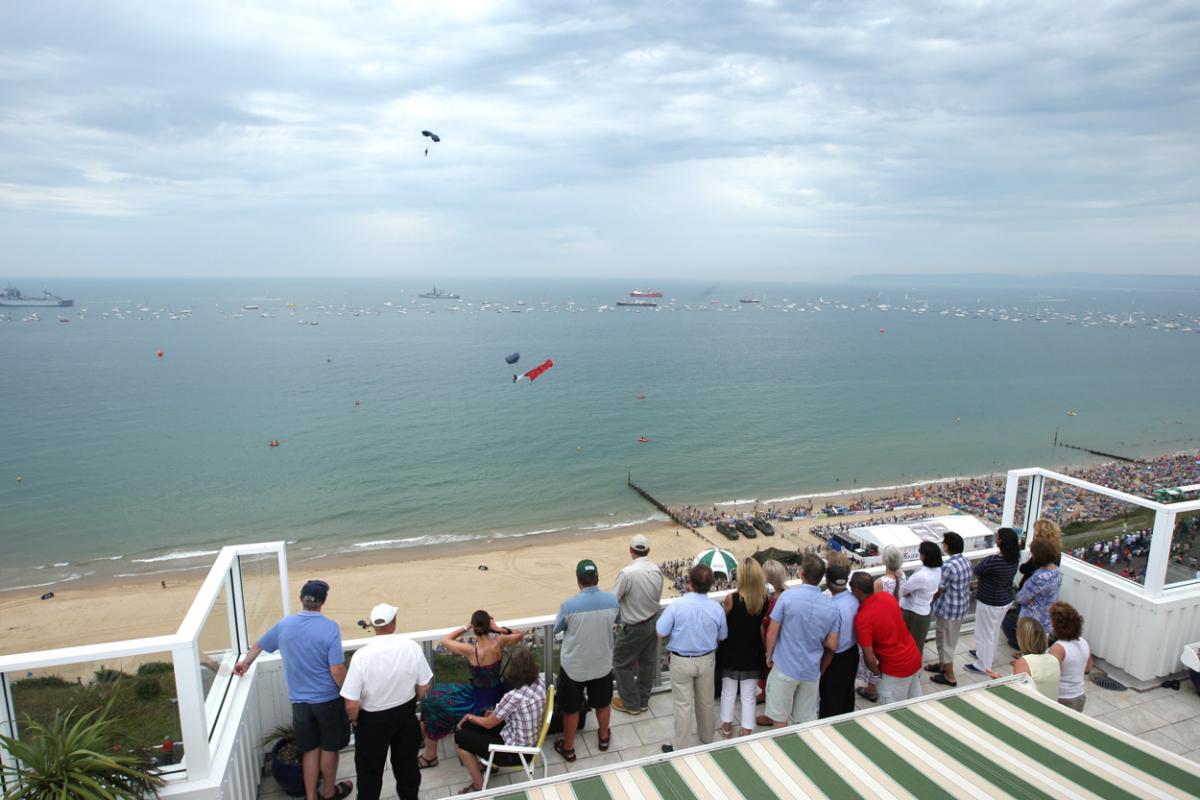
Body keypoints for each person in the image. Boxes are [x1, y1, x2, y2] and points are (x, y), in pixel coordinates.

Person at [234, 580, 353, 800]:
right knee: (329, 748)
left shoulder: (285, 625)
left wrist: (245, 664)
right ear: (323, 602)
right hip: (327, 700)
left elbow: (258, 645)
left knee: (310, 749)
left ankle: (310, 797)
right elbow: (337, 669)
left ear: (301, 598)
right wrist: (348, 693)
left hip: (300, 702)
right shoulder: (330, 627)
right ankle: (329, 792)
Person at [340, 603, 432, 800]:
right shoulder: (411, 647)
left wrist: (355, 720)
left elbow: (350, 701)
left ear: (373, 625)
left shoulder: (361, 656)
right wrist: (411, 701)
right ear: (394, 622)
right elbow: (424, 685)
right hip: (405, 716)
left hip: (371, 721)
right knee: (407, 768)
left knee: (369, 773)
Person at [418, 610, 526, 769]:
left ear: (474, 628)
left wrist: (465, 626)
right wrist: (498, 628)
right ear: (489, 626)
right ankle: (430, 747)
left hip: (477, 699)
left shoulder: (471, 650)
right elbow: (519, 635)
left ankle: (430, 753)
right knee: (436, 698)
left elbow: (445, 640)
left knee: (431, 702)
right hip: (497, 694)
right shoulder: (499, 642)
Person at [453, 647, 547, 794]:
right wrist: (494, 713)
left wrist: (470, 716)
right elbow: (509, 712)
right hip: (528, 742)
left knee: (459, 737)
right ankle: (482, 764)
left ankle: (478, 785)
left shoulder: (514, 696)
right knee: (470, 727)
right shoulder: (540, 684)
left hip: (514, 753)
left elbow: (489, 723)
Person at [553, 559, 620, 762]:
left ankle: (569, 748)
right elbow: (618, 620)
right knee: (603, 704)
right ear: (597, 578)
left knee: (571, 709)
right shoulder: (612, 601)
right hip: (601, 663)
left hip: (574, 666)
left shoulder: (569, 605)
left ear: (578, 580)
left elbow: (557, 629)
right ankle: (603, 738)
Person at [656, 564, 727, 751]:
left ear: (689, 583)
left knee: (682, 704)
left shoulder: (676, 606)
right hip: (706, 658)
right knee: (706, 701)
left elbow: (660, 631)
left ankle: (682, 745)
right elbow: (723, 635)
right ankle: (707, 737)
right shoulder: (716, 608)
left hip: (681, 660)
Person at [764, 554, 838, 726]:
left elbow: (772, 632)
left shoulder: (787, 598)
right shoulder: (831, 607)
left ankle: (782, 750)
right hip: (811, 669)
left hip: (785, 667)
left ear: (801, 573)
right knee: (805, 721)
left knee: (779, 717)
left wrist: (769, 655)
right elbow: (832, 644)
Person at [611, 533, 665, 716]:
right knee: (647, 662)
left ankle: (631, 703)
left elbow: (613, 600)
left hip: (634, 626)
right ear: (648, 551)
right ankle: (643, 700)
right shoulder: (657, 572)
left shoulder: (627, 573)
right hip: (653, 622)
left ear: (631, 551)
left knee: (620, 661)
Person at [852, 570, 922, 705]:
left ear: (856, 590)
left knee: (893, 715)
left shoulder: (862, 619)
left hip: (894, 668)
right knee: (916, 705)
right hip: (913, 657)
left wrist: (877, 675)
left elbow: (869, 658)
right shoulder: (887, 597)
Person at [718, 558, 768, 737]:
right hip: (753, 649)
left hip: (732, 649)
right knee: (748, 694)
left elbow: (724, 623)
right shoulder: (763, 599)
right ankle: (746, 729)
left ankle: (726, 726)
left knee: (728, 691)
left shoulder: (731, 598)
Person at [965, 528, 1021, 677]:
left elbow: (977, 569)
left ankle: (984, 665)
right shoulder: (1014, 558)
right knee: (993, 631)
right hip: (1005, 599)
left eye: (998, 537)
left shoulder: (994, 560)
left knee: (984, 632)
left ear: (1000, 541)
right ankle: (985, 655)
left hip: (990, 601)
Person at [856, 545, 905, 703]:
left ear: (885, 560)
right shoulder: (902, 577)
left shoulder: (880, 583)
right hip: (895, 620)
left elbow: (872, 604)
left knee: (874, 656)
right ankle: (876, 686)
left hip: (880, 623)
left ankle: (871, 689)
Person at [1004, 520, 1062, 649]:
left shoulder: (1039, 575)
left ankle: (1026, 655)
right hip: (1046, 607)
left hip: (1033, 610)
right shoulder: (1056, 565)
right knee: (1041, 637)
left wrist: (1025, 596)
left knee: (1029, 636)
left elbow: (1021, 597)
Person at [926, 532, 971, 686]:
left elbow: (940, 589)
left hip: (948, 610)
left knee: (945, 643)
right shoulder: (965, 560)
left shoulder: (948, 566)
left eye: (944, 542)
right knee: (946, 639)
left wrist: (929, 601)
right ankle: (942, 665)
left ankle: (950, 676)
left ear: (948, 546)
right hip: (960, 607)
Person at [818, 565, 859, 718]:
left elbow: (831, 646)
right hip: (852, 652)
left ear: (828, 583)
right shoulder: (855, 599)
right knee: (848, 694)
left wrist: (822, 669)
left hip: (835, 660)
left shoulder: (831, 607)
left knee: (830, 702)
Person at [756, 559, 790, 725]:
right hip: (779, 643)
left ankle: (772, 715)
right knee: (768, 676)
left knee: (772, 679)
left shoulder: (777, 600)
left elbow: (770, 625)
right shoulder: (785, 594)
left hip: (774, 645)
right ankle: (765, 696)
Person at [1048, 602, 1092, 711]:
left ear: (1057, 626)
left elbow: (1051, 675)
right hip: (1079, 695)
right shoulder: (1083, 642)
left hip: (1061, 698)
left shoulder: (1059, 648)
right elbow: (1088, 668)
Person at [899, 541, 942, 653]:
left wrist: (902, 577)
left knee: (910, 645)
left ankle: (910, 668)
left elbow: (904, 590)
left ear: (925, 556)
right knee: (918, 643)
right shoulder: (937, 570)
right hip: (924, 610)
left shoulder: (922, 576)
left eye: (920, 552)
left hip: (913, 613)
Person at [1012, 618, 1060, 700]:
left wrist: (1000, 682)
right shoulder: (1054, 659)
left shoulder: (1023, 662)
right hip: (1050, 708)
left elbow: (1016, 696)